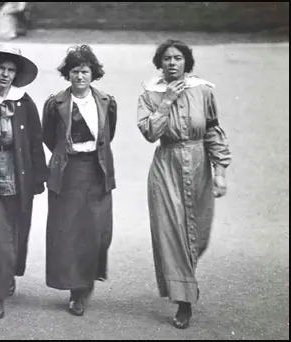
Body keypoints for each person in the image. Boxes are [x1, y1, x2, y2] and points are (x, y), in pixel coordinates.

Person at [136, 39, 232, 329]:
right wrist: (166, 103)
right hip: (167, 166)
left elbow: (213, 129)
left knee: (197, 234)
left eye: (178, 58)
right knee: (172, 235)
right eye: (167, 58)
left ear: (186, 62)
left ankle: (185, 281)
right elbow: (150, 132)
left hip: (199, 164)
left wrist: (220, 171)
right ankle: (184, 302)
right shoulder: (150, 94)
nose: (172, 63)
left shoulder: (202, 90)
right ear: (160, 63)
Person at [0, 44, 48, 319]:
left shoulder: (24, 103)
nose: (5, 74)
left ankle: (4, 278)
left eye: (11, 70)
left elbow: (35, 142)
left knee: (14, 234)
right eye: (1, 68)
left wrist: (40, 177)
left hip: (19, 175)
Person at [42, 45, 117, 317]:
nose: (80, 77)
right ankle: (77, 291)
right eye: (74, 71)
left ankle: (86, 284)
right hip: (67, 172)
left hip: (96, 171)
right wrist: (66, 154)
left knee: (96, 232)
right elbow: (49, 137)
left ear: (93, 73)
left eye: (85, 71)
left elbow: (108, 135)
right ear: (68, 74)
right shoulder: (56, 104)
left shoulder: (107, 102)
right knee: (69, 233)